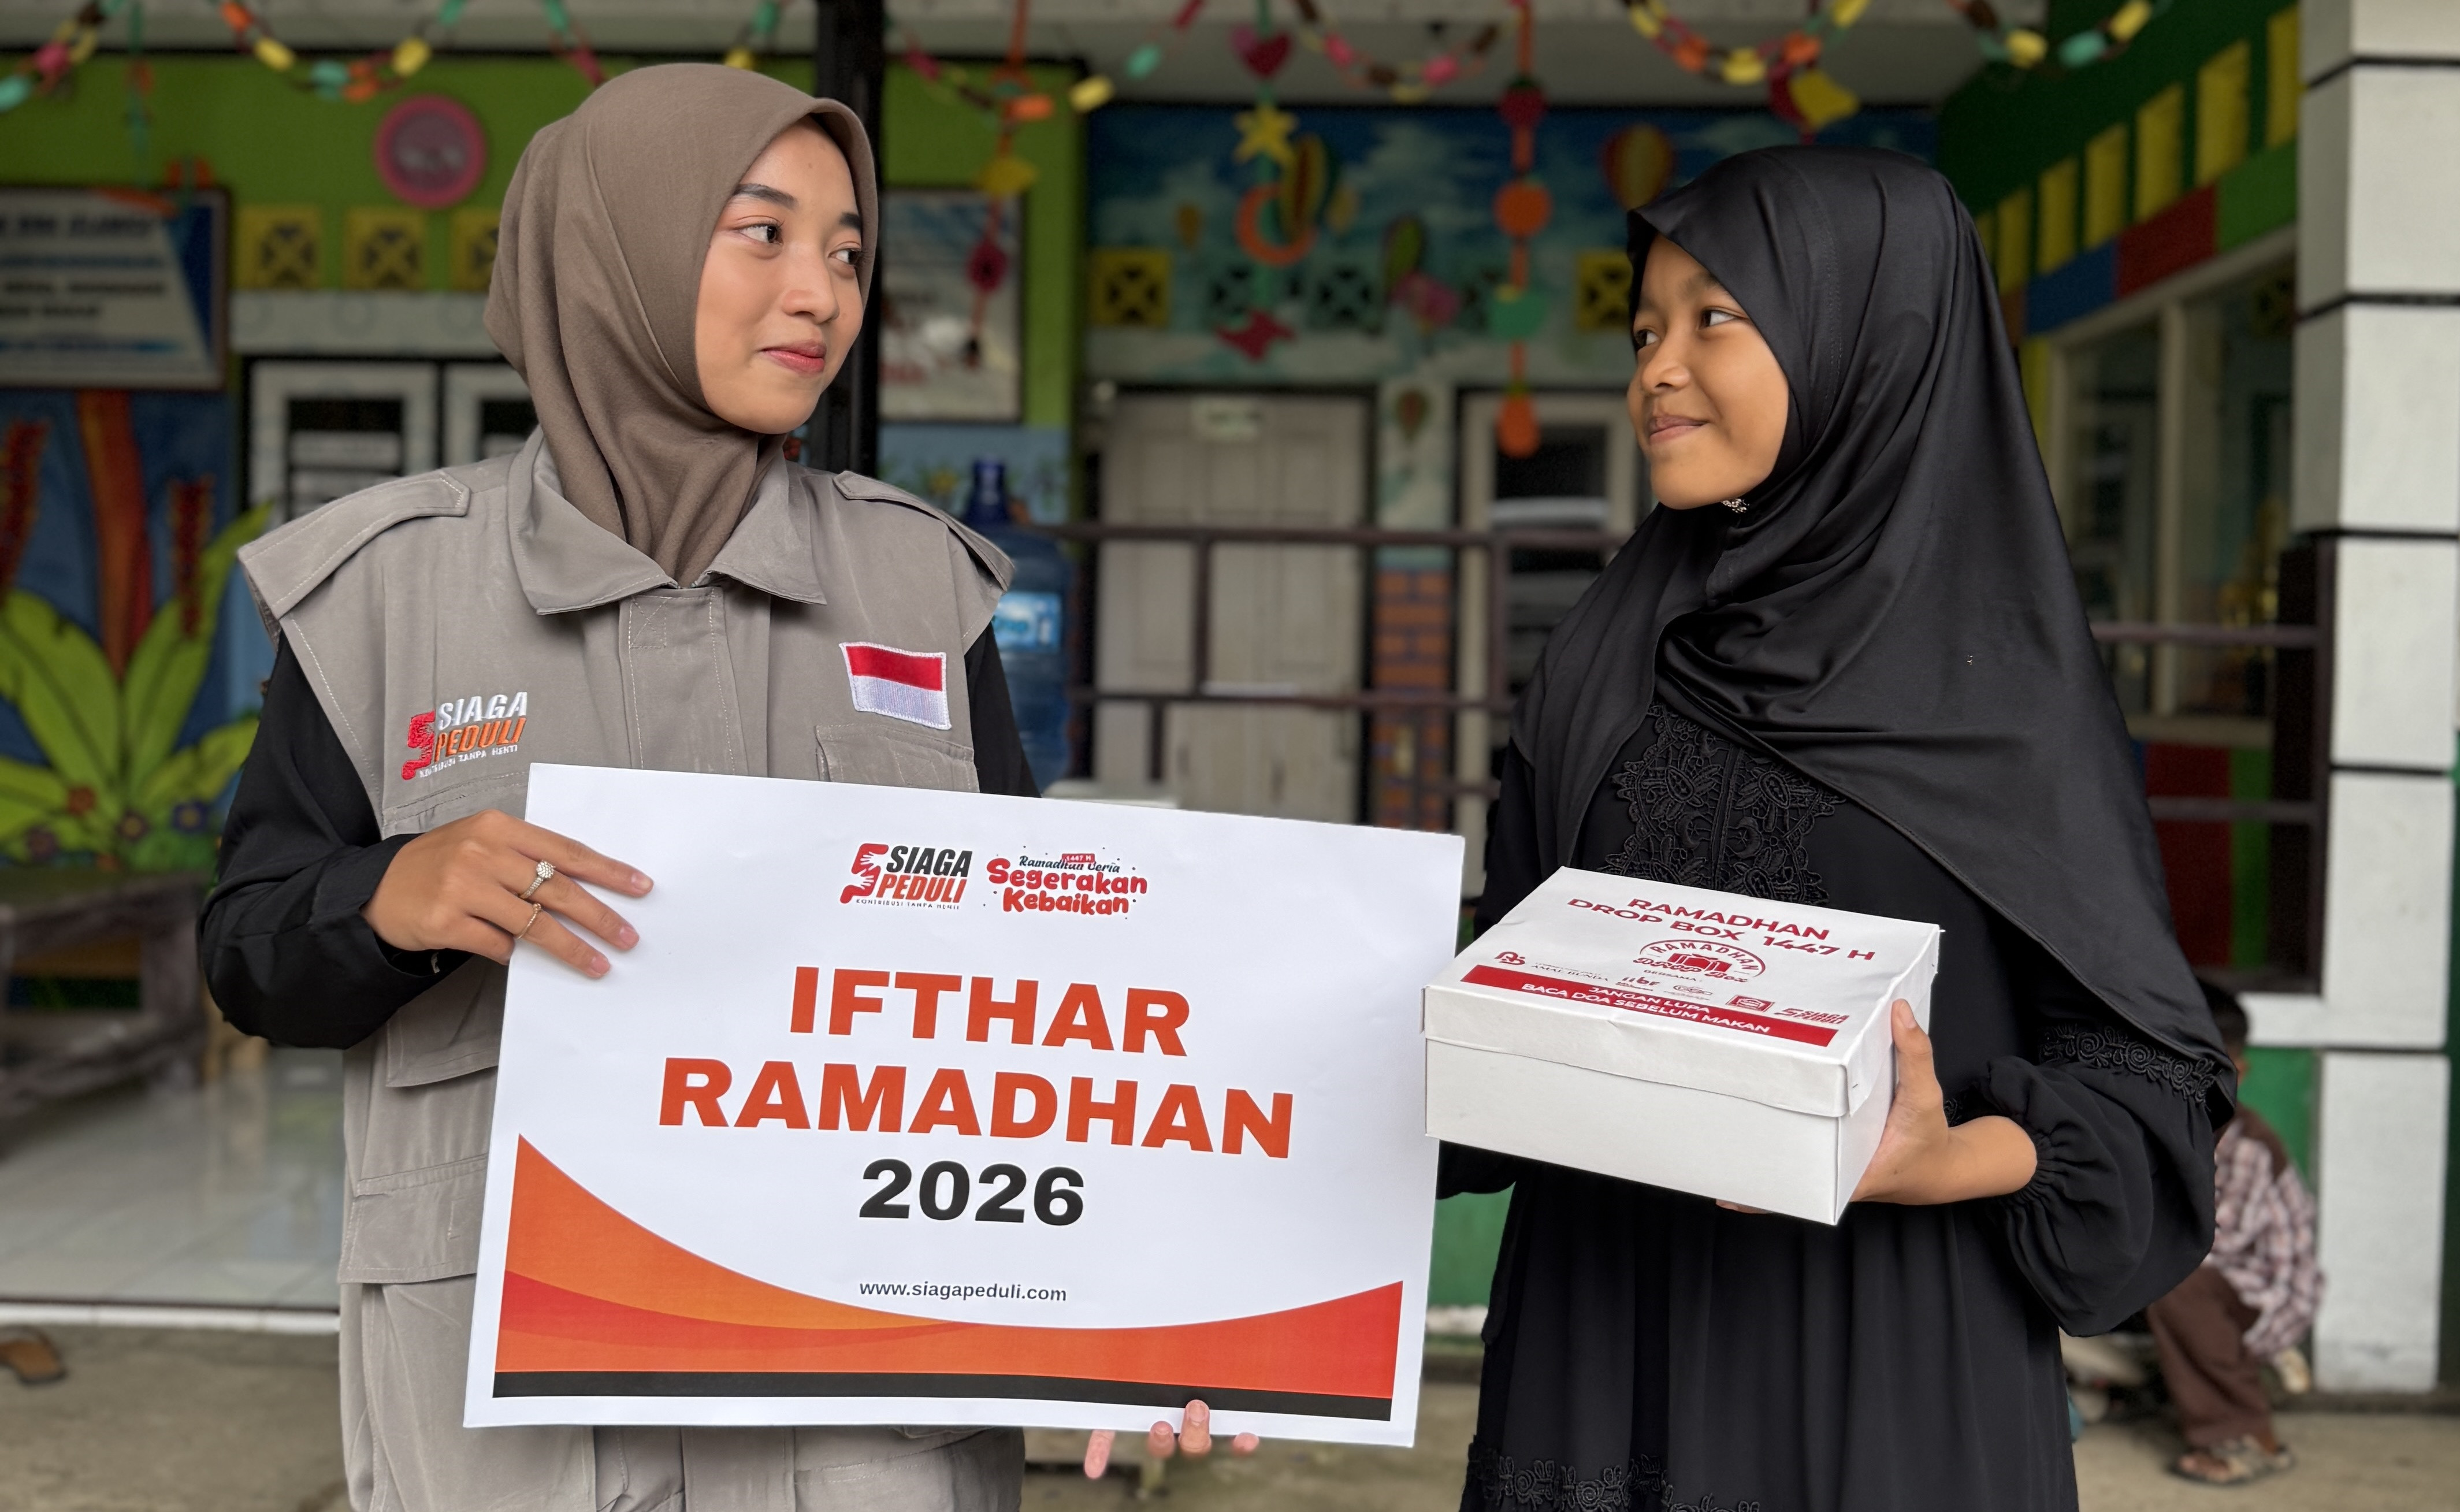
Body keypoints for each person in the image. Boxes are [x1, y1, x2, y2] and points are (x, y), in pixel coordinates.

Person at [200, 64, 1238, 1512]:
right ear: (613, 249)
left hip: (863, 1430)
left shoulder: (921, 587)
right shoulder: (385, 590)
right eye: (763, 233)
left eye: (848, 252)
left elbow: (1031, 997)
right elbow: (249, 953)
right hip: (505, 1421)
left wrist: (1138, 1305)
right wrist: (388, 896)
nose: (822, 294)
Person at [1449, 146, 2235, 1512]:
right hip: (1598, 1348)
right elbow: (1493, 993)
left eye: (1712, 317)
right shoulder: (1600, 665)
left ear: (1870, 341)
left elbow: (2146, 1082)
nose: (1655, 370)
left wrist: (1941, 1155)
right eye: (1642, 330)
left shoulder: (2000, 700)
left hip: (1884, 1377)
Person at [2144, 982, 2319, 1486]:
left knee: (2175, 1281)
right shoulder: (2165, 1130)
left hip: (2263, 1294)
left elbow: (2208, 1247)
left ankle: (2248, 1435)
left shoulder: (2245, 1145)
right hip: (2203, 1281)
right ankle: (2133, 1385)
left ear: (2238, 1070)